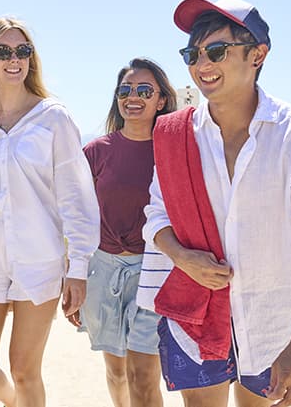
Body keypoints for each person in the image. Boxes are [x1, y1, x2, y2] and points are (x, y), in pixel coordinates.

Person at [139, 0, 291, 407]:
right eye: (192, 53)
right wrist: (181, 256)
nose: (202, 64)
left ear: (257, 54)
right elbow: (156, 213)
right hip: (195, 316)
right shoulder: (173, 134)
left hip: (273, 319)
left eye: (216, 50)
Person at [0, 16, 99, 407]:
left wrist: (78, 267)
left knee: (26, 370)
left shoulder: (53, 117)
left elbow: (76, 196)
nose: (14, 59)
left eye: (23, 51)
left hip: (39, 254)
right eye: (3, 51)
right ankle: (12, 402)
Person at [73, 57, 177, 407]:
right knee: (117, 372)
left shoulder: (174, 151)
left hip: (154, 271)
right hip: (102, 271)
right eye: (126, 90)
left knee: (143, 376)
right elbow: (73, 215)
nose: (134, 96)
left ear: (161, 100)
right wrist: (71, 277)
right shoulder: (95, 152)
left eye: (145, 90)